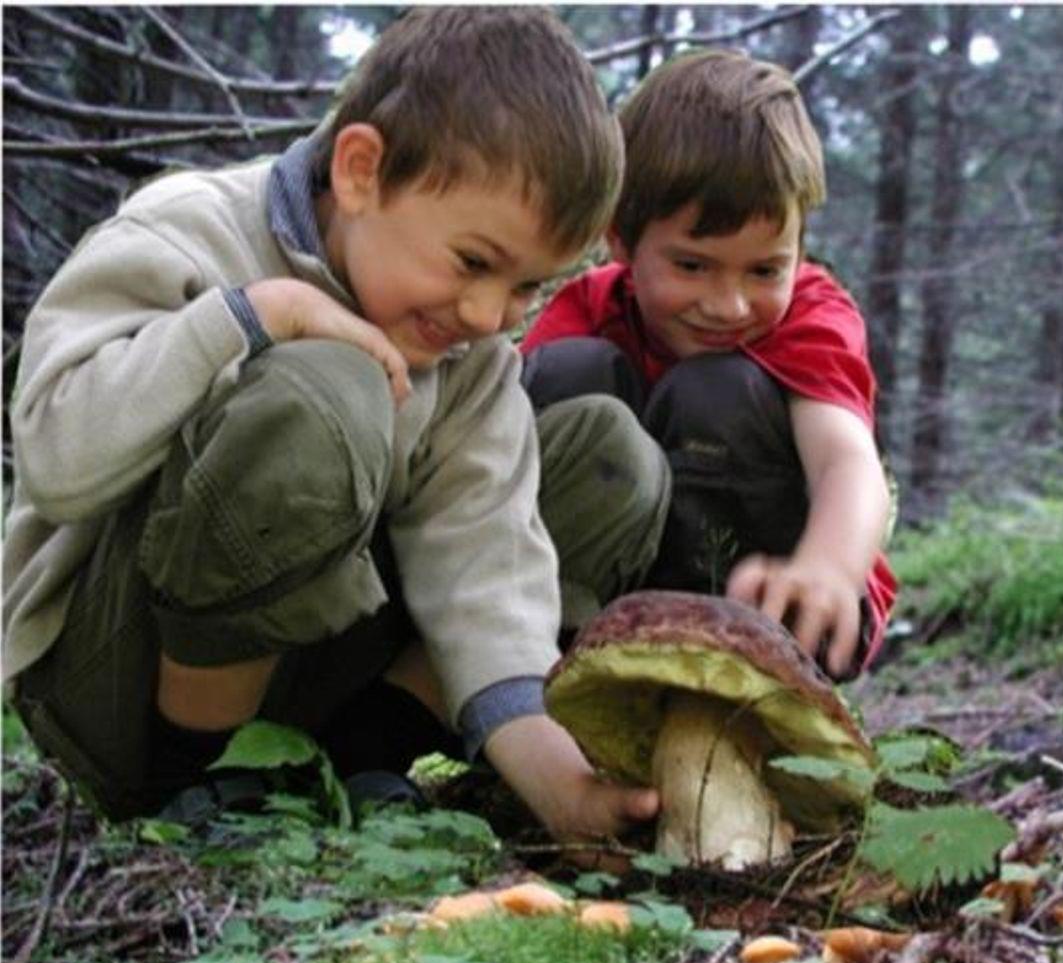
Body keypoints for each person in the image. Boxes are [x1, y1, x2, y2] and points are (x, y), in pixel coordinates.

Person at [4, 8, 672, 846]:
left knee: (608, 456)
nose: (486, 315)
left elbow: (488, 567)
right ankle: (196, 783)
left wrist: (561, 790)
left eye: (527, 288)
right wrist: (253, 315)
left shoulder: (468, 353)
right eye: (473, 262)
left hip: (300, 679)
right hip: (115, 687)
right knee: (326, 385)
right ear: (360, 171)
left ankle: (363, 756)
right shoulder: (188, 229)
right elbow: (57, 458)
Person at [520, 48, 896, 682]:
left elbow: (847, 460)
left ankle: (739, 679)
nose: (729, 305)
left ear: (799, 249)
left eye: (765, 270)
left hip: (780, 598)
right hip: (616, 589)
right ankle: (550, 657)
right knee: (569, 375)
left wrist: (828, 568)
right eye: (692, 266)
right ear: (620, 239)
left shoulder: (812, 314)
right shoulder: (589, 309)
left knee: (716, 389)